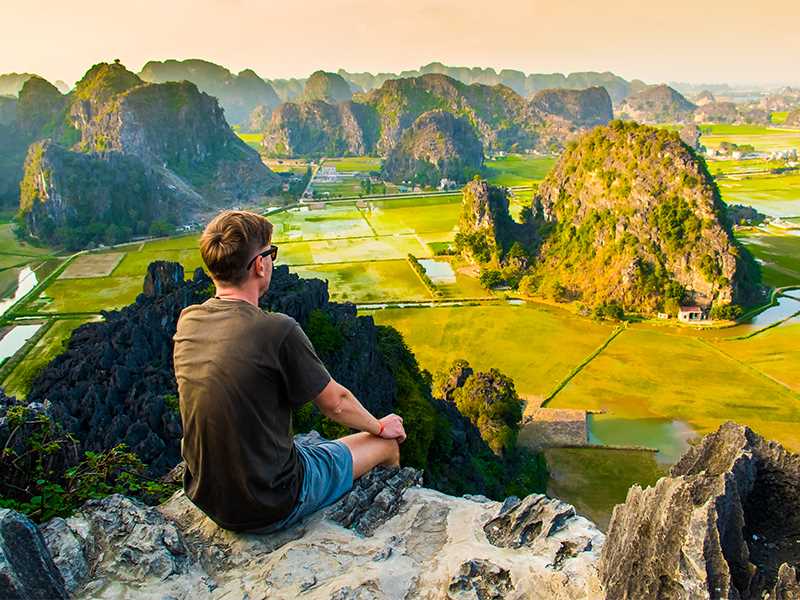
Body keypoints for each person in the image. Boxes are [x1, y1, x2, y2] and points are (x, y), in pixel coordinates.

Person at [173, 210, 406, 533]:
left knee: (315, 449)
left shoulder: (188, 320)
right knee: (385, 445)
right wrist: (380, 427)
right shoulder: (277, 330)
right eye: (271, 253)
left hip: (206, 496)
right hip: (271, 503)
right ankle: (395, 520)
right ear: (259, 265)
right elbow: (335, 403)